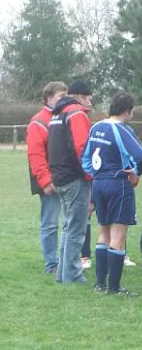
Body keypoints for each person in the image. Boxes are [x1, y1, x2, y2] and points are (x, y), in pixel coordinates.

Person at [82, 91, 142, 297]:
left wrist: (96, 175)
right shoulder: (121, 129)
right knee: (118, 234)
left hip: (98, 184)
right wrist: (137, 172)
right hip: (118, 183)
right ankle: (115, 287)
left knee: (104, 232)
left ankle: (100, 283)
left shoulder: (96, 127)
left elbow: (85, 158)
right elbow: (141, 154)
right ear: (128, 110)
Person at [48, 81, 93, 284]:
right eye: (89, 97)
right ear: (80, 97)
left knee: (67, 227)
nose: (90, 102)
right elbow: (82, 147)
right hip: (75, 179)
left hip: (59, 177)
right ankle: (73, 274)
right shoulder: (76, 113)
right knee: (76, 229)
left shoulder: (57, 114)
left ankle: (63, 274)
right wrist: (89, 174)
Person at [26, 81, 68, 274]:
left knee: (70, 221)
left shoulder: (66, 116)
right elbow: (35, 155)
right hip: (49, 180)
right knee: (51, 222)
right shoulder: (39, 121)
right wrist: (45, 181)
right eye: (61, 96)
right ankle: (52, 263)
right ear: (49, 98)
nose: (64, 100)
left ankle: (68, 260)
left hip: (67, 178)